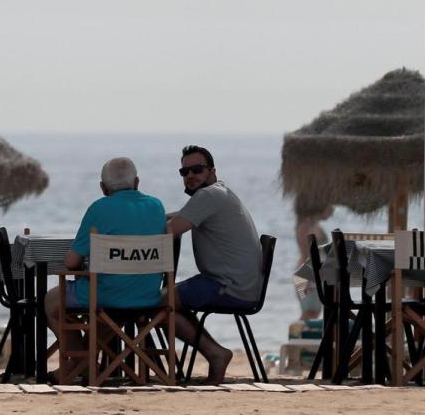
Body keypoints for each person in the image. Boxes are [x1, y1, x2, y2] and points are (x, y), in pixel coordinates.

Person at [43, 157, 167, 375]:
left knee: (51, 300)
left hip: (105, 297)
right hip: (148, 296)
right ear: (137, 182)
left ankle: (79, 361)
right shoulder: (156, 207)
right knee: (107, 308)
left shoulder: (99, 209)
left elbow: (71, 262)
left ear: (103, 187)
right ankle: (85, 360)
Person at [166, 145, 262, 384]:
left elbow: (167, 232)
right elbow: (179, 216)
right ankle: (213, 352)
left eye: (197, 169)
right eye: (185, 172)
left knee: (156, 302)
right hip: (239, 285)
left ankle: (215, 354)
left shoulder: (208, 196)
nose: (190, 176)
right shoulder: (218, 193)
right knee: (167, 299)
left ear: (212, 171)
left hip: (229, 287)